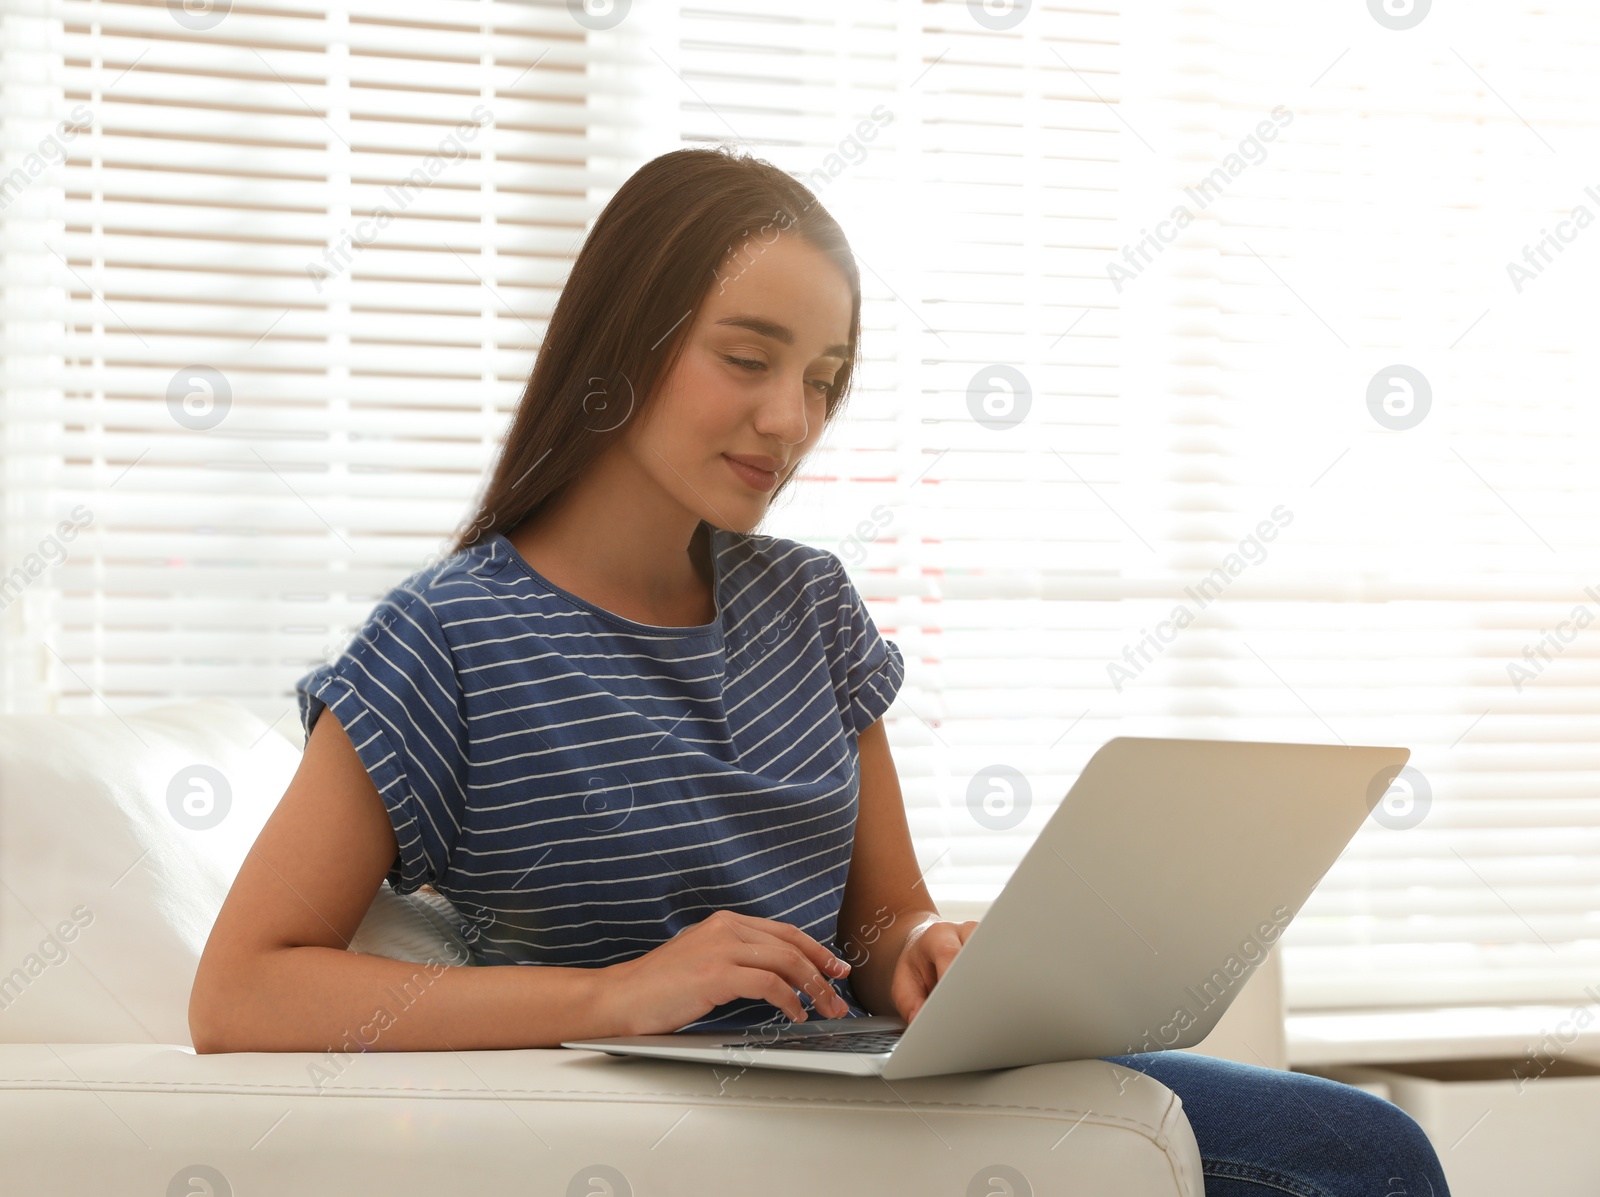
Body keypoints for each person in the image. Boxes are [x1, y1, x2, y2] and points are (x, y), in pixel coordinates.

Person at [189, 146, 1451, 1195]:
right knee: (1349, 1158)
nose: (789, 421)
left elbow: (878, 917)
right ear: (620, 344)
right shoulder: (447, 639)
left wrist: (922, 958)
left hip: (867, 1080)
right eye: (748, 359)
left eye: (824, 382)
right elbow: (242, 990)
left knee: (1365, 1145)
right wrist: (620, 994)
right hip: (652, 1130)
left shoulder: (810, 605)